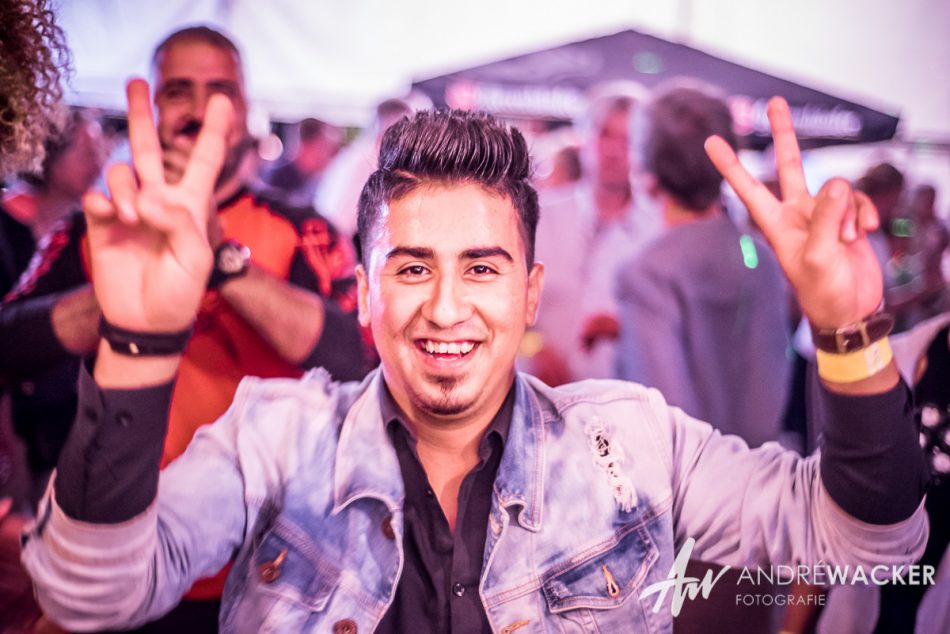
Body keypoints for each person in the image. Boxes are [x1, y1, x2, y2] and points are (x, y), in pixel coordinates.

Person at [21, 85, 928, 633]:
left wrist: (850, 336)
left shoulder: (635, 444)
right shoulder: (274, 438)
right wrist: (138, 345)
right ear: (364, 293)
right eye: (412, 268)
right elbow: (94, 592)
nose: (446, 308)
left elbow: (872, 544)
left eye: (482, 269)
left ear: (529, 295)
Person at [5, 25, 369, 629]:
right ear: (151, 104)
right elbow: (9, 343)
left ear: (246, 110)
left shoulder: (304, 229)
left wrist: (219, 260)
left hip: (277, 565)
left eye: (219, 91)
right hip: (118, 545)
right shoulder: (96, 226)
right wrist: (124, 299)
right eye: (178, 90)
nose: (198, 109)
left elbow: (357, 359)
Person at [615, 81, 791, 447]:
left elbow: (663, 415)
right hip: (759, 466)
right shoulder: (759, 256)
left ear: (648, 167)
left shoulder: (647, 271)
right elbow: (770, 382)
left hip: (688, 473)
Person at [1, 109, 106, 501]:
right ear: (50, 157)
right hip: (15, 420)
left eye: (99, 149)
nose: (98, 161)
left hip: (69, 421)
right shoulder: (6, 226)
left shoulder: (88, 230)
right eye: (86, 151)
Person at [527, 84, 661, 385]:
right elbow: (504, 299)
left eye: (627, 140)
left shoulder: (656, 231)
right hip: (535, 389)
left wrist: (625, 326)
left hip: (620, 396)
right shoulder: (540, 215)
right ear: (584, 139)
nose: (613, 151)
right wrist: (535, 348)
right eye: (604, 134)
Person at [263, 117, 343, 207]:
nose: (328, 157)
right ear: (310, 145)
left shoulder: (315, 183)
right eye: (325, 148)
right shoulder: (275, 180)